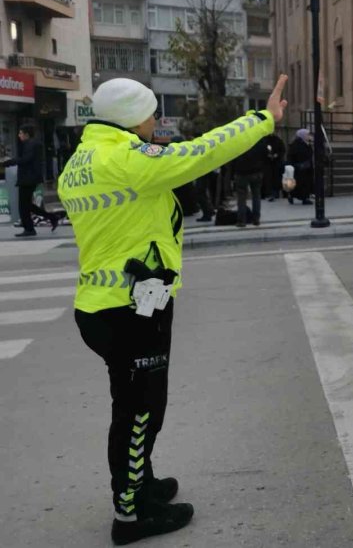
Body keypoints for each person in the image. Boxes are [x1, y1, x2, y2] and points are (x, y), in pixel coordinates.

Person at [59, 74, 288, 546]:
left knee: (133, 404)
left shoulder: (81, 160)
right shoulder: (127, 159)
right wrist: (263, 119)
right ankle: (130, 514)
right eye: (150, 113)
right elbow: (203, 151)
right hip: (132, 308)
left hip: (104, 304)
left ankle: (139, 482)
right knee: (140, 411)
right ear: (130, 117)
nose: (155, 121)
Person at [2, 124, 58, 237]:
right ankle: (51, 218)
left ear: (26, 134)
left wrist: (9, 162)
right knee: (27, 204)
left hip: (28, 178)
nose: (19, 135)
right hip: (29, 177)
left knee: (23, 205)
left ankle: (29, 228)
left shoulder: (31, 144)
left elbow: (25, 159)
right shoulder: (31, 144)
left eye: (21, 133)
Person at [231, 136, 268, 227]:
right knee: (256, 195)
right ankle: (256, 219)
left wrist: (233, 171)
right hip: (256, 171)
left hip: (241, 171)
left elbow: (232, 156)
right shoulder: (258, 139)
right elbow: (265, 154)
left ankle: (241, 220)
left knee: (241, 197)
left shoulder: (237, 140)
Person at [287, 128, 314, 205]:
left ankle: (302, 197)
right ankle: (303, 198)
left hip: (306, 167)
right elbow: (292, 156)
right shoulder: (296, 145)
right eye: (307, 134)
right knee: (300, 183)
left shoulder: (306, 143)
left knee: (305, 183)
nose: (309, 136)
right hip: (300, 167)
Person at [263, 133, 286, 201]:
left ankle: (275, 193)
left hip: (277, 163)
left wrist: (277, 155)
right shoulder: (264, 140)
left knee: (276, 178)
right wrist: (267, 155)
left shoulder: (278, 140)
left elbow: (282, 150)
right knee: (268, 178)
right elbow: (262, 150)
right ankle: (269, 193)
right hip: (267, 163)